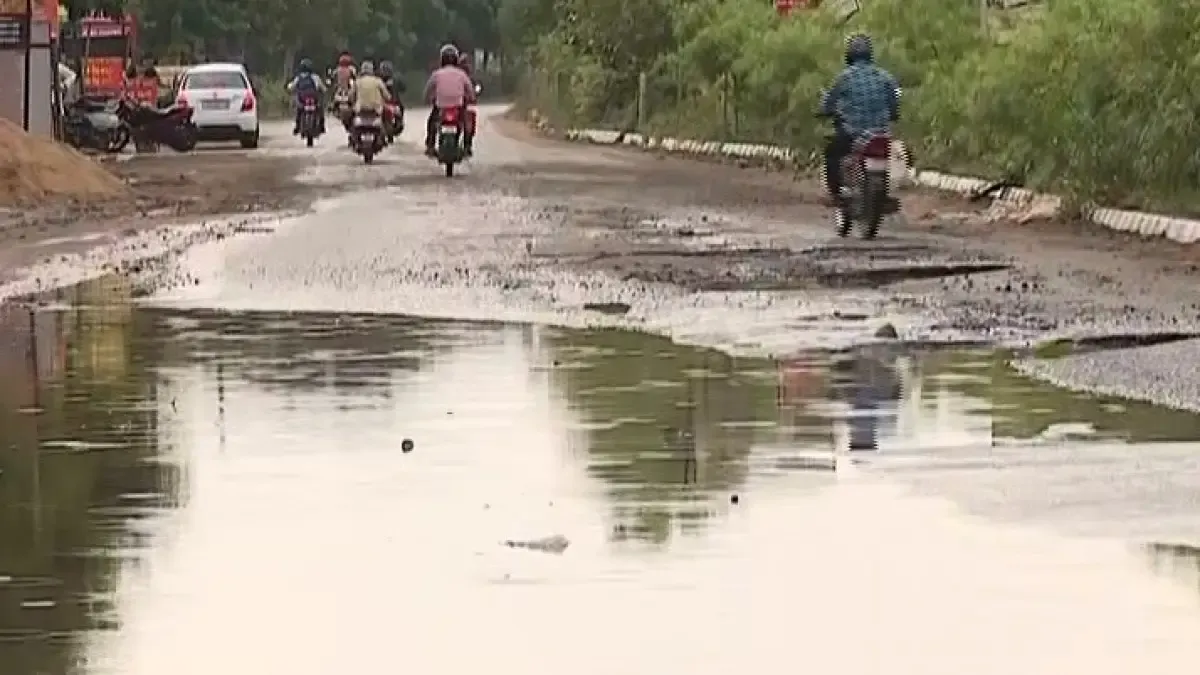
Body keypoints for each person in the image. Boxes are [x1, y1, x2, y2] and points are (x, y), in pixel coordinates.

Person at [819, 33, 900, 206]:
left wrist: (825, 111)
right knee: (888, 157)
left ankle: (836, 194)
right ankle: (883, 195)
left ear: (849, 55)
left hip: (853, 133)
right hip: (880, 134)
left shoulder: (844, 78)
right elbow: (895, 101)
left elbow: (828, 104)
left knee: (832, 153)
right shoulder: (885, 77)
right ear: (870, 54)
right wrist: (893, 115)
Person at [422, 44, 476, 157]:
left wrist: (426, 99)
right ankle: (467, 146)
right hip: (458, 106)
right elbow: (470, 90)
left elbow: (428, 89)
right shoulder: (462, 74)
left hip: (440, 106)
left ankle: (430, 145)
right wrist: (472, 98)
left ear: (442, 59)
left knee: (432, 122)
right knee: (466, 123)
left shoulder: (436, 74)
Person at [286, 57, 327, 135]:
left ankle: (297, 127)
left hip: (302, 99)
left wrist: (289, 88)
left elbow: (291, 87)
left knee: (298, 111)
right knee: (320, 110)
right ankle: (322, 126)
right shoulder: (315, 77)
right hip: (314, 98)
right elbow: (322, 88)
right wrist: (324, 90)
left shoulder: (298, 77)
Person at [454, 52, 478, 154]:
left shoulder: (466, 77)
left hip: (463, 103)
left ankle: (467, 145)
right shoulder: (460, 76)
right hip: (459, 103)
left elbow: (474, 88)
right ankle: (467, 145)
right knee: (468, 122)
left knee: (469, 121)